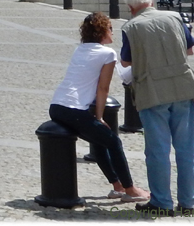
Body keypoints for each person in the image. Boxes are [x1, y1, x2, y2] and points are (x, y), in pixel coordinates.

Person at [49, 12, 150, 204]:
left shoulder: (80, 49)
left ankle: (118, 187)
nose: (113, 32)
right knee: (114, 142)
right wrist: (99, 116)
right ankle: (130, 190)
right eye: (110, 28)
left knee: (100, 140)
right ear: (102, 31)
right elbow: (103, 88)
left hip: (57, 106)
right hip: (74, 110)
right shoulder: (108, 54)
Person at [121, 0, 194, 217]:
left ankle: (162, 202)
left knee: (158, 151)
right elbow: (190, 50)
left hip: (152, 91)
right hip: (182, 87)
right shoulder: (175, 17)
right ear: (152, 2)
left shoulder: (131, 27)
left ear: (131, 7)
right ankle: (188, 202)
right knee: (186, 149)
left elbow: (125, 62)